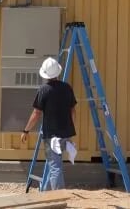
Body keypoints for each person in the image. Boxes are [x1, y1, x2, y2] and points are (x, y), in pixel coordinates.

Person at [20, 57, 77, 190]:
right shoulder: (67, 88)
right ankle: (45, 191)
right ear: (57, 73)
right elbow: (73, 111)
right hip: (66, 133)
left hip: (52, 136)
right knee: (53, 164)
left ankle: (58, 197)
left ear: (45, 74)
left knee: (55, 166)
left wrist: (26, 130)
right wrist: (70, 130)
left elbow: (36, 114)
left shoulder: (44, 90)